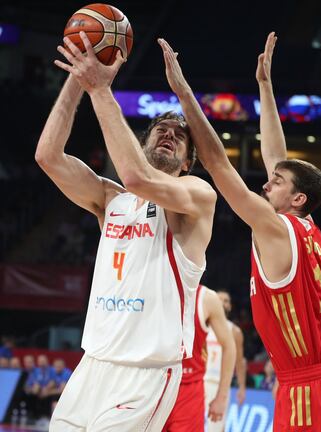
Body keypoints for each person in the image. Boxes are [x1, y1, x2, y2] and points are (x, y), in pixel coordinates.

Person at [158, 34, 321, 431]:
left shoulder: (275, 227)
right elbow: (276, 157)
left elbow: (217, 165)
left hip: (308, 391)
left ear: (297, 198)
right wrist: (265, 87)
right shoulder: (304, 225)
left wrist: (183, 93)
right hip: (320, 382)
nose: (267, 184)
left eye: (276, 182)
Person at [35, 32, 216, 432]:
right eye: (161, 130)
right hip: (93, 362)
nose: (169, 134)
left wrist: (100, 89)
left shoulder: (195, 195)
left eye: (179, 136)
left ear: (187, 163)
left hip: (146, 371)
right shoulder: (109, 199)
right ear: (139, 141)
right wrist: (79, 77)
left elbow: (137, 176)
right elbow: (48, 156)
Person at [163, 285, 236, 431]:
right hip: (154, 385)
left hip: (189, 388)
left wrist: (221, 397)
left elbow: (230, 347)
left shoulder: (207, 298)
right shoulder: (152, 287)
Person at [204, 289, 246, 432]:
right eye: (219, 299)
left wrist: (241, 387)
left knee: (217, 427)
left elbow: (240, 362)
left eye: (226, 300)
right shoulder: (203, 325)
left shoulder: (235, 331)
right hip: (201, 381)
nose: (223, 302)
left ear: (230, 306)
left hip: (221, 384)